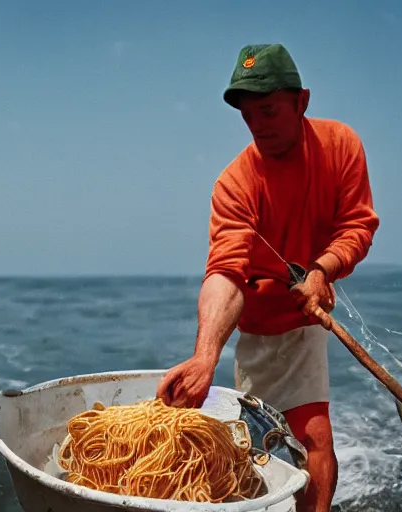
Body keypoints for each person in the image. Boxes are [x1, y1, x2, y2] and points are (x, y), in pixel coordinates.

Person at [156, 43, 379, 512]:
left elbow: (357, 225)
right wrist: (203, 358)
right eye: (248, 114)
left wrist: (323, 270)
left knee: (314, 434)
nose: (258, 123)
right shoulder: (234, 184)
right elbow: (225, 272)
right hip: (255, 329)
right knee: (258, 450)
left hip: (306, 316)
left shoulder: (341, 145)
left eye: (269, 110)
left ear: (301, 102)